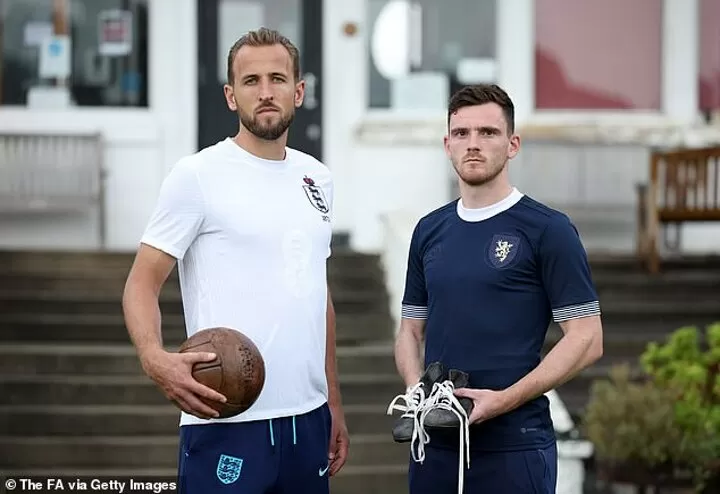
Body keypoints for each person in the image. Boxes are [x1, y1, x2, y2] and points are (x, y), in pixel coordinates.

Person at [122, 27, 349, 494]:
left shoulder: (317, 179)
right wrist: (153, 358)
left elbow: (314, 293)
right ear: (230, 96)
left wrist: (332, 402)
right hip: (225, 417)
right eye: (250, 81)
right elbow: (141, 284)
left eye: (277, 79)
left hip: (307, 421)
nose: (265, 93)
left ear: (298, 91)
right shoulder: (197, 176)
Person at [387, 84, 604, 494]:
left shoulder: (548, 229)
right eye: (462, 133)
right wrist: (416, 390)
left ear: (512, 144)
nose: (473, 144)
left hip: (514, 448)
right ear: (447, 144)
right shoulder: (429, 230)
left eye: (488, 133)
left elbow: (588, 339)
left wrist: (502, 400)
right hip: (434, 448)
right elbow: (410, 330)